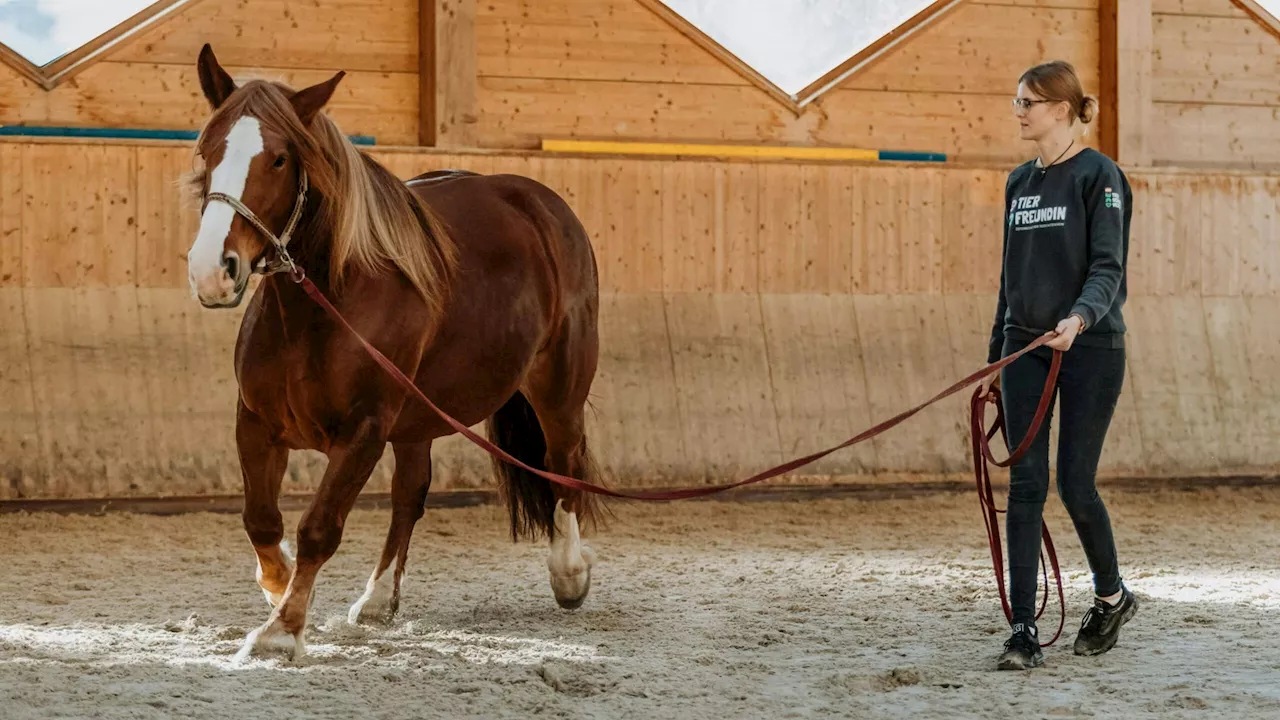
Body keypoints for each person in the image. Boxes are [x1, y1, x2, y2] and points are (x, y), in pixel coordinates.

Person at [976, 60, 1137, 671]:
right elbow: (1008, 279)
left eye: (1029, 102)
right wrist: (998, 357)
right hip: (1026, 348)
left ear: (1063, 109)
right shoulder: (1019, 183)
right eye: (1017, 101)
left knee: (1074, 483)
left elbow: (1108, 266)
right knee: (1024, 485)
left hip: (1090, 348)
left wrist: (1081, 317)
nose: (1019, 111)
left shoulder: (1100, 177)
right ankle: (1021, 628)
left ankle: (1111, 597)